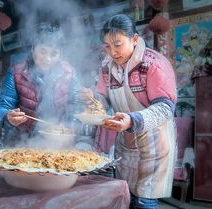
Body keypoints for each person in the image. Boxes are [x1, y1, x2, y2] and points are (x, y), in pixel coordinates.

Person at [88, 14, 177, 209]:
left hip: (154, 143)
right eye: (107, 46)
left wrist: (132, 120)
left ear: (134, 39)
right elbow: (102, 98)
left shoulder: (154, 64)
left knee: (144, 201)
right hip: (126, 141)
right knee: (125, 197)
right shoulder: (106, 66)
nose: (112, 52)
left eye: (118, 44)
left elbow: (165, 108)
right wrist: (93, 101)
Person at [0, 23, 80, 144]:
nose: (47, 59)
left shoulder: (69, 73)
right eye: (43, 51)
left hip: (57, 144)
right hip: (21, 143)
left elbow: (76, 106)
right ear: (33, 48)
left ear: (60, 55)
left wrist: (69, 125)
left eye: (54, 53)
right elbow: (0, 108)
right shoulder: (16, 73)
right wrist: (8, 116)